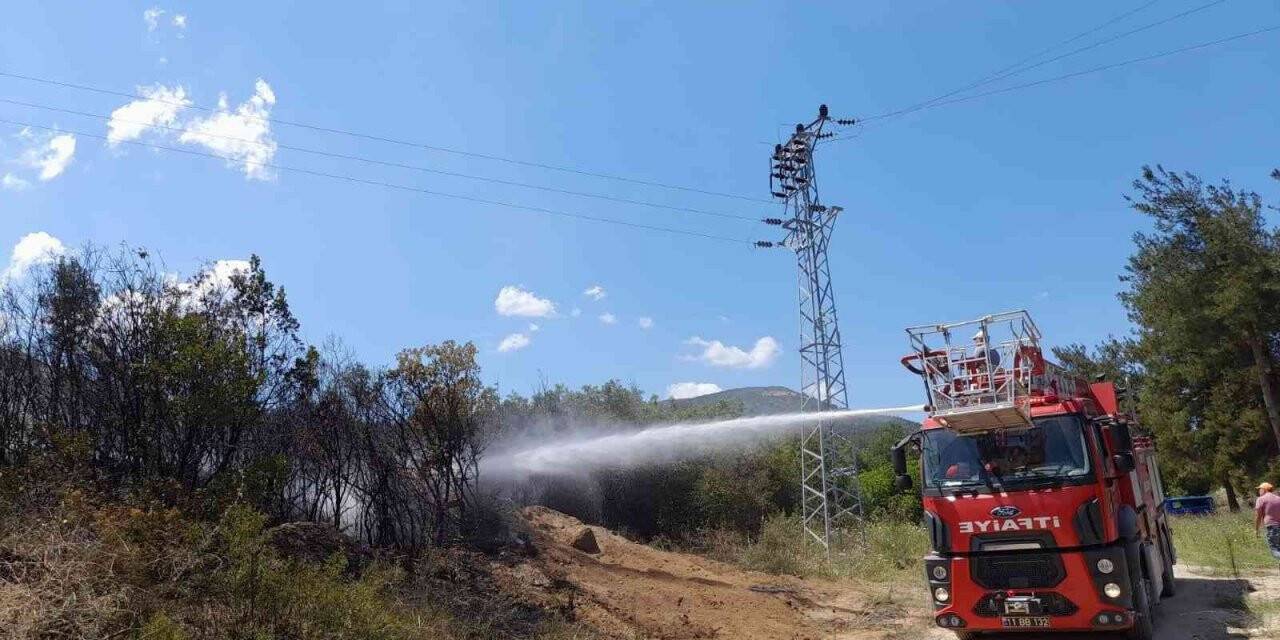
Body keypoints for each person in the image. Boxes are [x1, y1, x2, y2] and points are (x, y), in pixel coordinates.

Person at [1255, 482, 1280, 560]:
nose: (1259, 491)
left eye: (1260, 489)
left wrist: (1256, 530)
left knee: (1274, 550)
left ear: (1264, 490)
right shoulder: (1278, 498)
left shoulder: (1261, 499)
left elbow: (1258, 516)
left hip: (1272, 528)